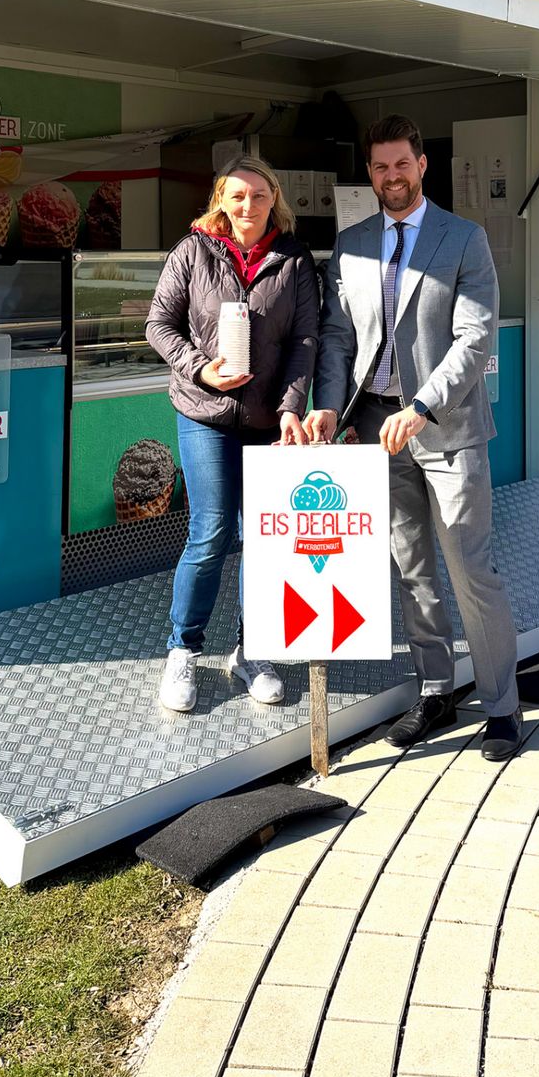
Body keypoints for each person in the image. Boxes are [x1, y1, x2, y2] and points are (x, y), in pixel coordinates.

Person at [306, 114, 522, 761]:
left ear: (422, 165)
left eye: (402, 163)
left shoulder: (464, 238)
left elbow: (475, 337)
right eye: (381, 167)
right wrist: (328, 408)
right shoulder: (351, 244)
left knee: (470, 569)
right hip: (376, 429)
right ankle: (435, 691)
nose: (392, 176)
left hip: (446, 428)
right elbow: (338, 337)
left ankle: (502, 706)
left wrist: (423, 405)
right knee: (411, 567)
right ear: (370, 173)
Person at [146, 155, 318, 713]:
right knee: (211, 531)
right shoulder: (192, 251)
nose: (249, 205)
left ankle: (252, 651)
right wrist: (201, 369)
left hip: (269, 422)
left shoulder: (294, 259)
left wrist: (291, 407)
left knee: (263, 539)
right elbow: (158, 325)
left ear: (275, 200)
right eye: (238, 195)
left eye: (260, 195)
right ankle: (183, 649)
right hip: (205, 415)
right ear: (220, 198)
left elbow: (305, 341)